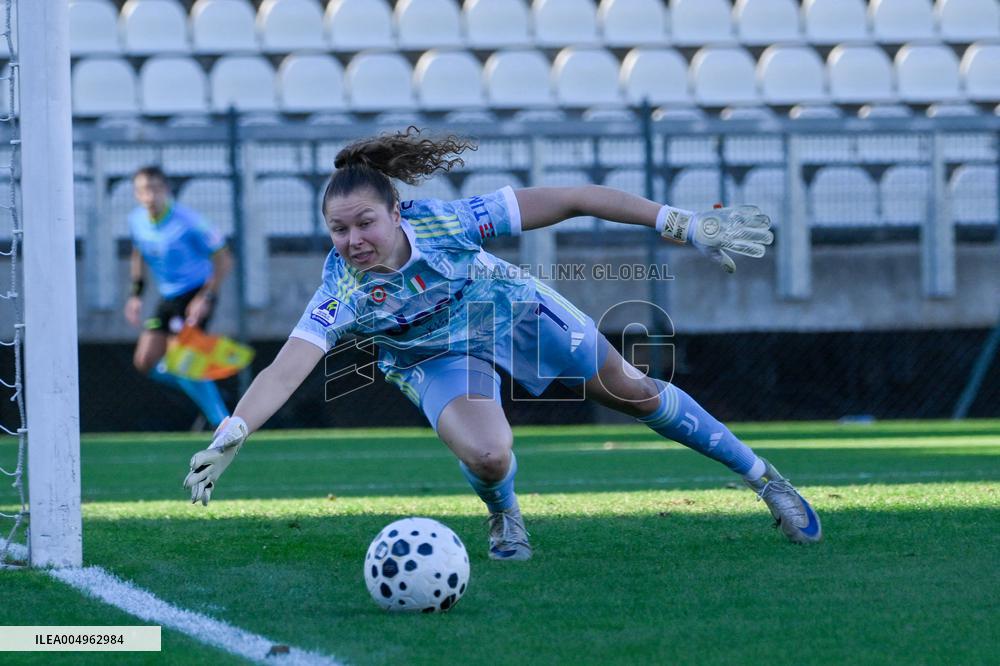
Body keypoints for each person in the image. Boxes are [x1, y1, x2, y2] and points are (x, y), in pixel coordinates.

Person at [183, 128, 821, 558]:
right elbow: (285, 369)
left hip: (511, 311)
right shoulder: (340, 290)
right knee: (489, 455)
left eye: (365, 223)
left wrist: (680, 222)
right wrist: (232, 432)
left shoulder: (451, 223)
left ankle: (766, 480)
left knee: (637, 393)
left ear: (397, 213)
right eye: (338, 229)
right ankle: (505, 514)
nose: (353, 241)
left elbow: (574, 197)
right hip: (433, 355)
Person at [126, 165, 233, 430]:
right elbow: (138, 253)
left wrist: (206, 297)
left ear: (166, 190)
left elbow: (224, 259)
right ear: (137, 194)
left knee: (181, 360)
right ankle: (202, 383)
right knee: (145, 361)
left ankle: (223, 423)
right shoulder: (136, 221)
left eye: (154, 189)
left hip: (196, 293)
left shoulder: (190, 222)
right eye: (143, 190)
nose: (150, 196)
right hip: (168, 297)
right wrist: (136, 294)